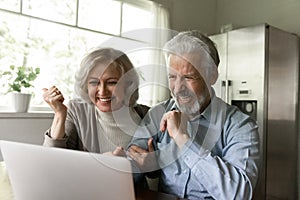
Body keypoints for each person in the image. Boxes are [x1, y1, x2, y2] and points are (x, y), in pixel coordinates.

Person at [126, 30, 260, 200]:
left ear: (212, 76)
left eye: (188, 77)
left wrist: (183, 140)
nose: (178, 87)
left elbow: (239, 194)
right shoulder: (158, 113)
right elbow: (133, 161)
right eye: (172, 77)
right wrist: (124, 165)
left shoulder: (240, 126)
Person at [42, 47, 149, 156]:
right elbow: (52, 159)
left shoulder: (148, 116)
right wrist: (60, 114)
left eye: (111, 82)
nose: (102, 91)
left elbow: (159, 168)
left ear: (127, 84)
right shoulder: (77, 111)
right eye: (94, 82)